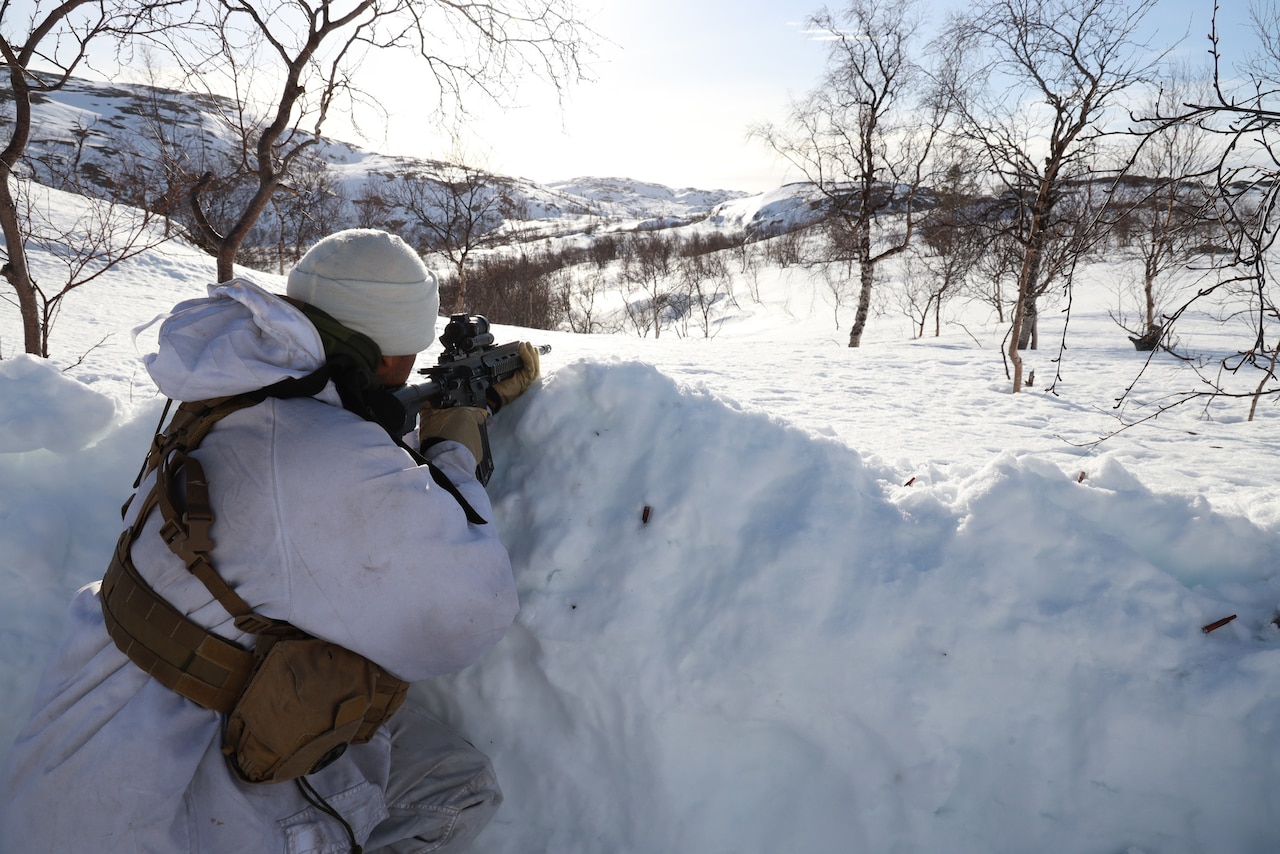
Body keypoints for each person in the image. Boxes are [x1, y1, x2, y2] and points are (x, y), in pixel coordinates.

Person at [0, 229, 537, 852]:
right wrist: (452, 447)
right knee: (455, 786)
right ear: (384, 353)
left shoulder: (230, 395)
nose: (406, 374)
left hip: (89, 750)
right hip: (173, 806)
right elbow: (467, 614)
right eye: (407, 356)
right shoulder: (315, 449)